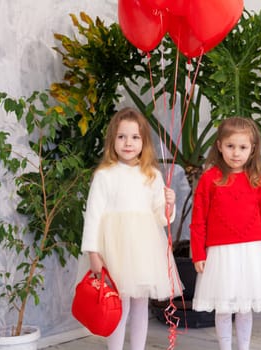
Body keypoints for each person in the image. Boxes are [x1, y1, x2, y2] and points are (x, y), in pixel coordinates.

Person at [80, 107, 183, 350]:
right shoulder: (105, 175)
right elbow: (93, 216)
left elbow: (161, 218)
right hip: (114, 248)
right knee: (117, 303)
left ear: (144, 142)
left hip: (144, 249)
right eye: (121, 137)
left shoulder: (152, 175)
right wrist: (93, 253)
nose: (128, 143)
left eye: (135, 137)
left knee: (140, 304)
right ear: (112, 140)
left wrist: (170, 204)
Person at [190, 117, 261, 350]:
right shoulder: (209, 179)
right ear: (219, 146)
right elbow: (198, 219)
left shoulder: (257, 180)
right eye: (230, 146)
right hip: (220, 253)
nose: (236, 153)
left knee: (245, 307)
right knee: (224, 307)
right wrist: (198, 253)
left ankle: (243, 347)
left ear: (252, 148)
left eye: (243, 147)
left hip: (252, 251)